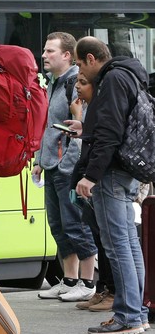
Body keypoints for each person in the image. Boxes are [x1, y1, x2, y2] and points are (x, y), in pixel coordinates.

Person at [66, 37, 148, 334]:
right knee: (129, 244)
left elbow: (111, 133)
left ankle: (127, 317)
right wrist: (84, 129)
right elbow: (118, 126)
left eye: (77, 62)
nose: (79, 70)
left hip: (111, 173)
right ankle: (137, 313)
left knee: (117, 247)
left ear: (90, 58)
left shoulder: (112, 79)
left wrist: (91, 175)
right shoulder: (130, 74)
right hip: (126, 170)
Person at [33, 33, 98, 303]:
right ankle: (69, 280)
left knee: (75, 223)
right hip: (52, 163)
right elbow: (48, 125)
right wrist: (39, 160)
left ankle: (88, 281)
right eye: (45, 51)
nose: (44, 56)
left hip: (64, 166)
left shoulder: (76, 82)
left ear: (67, 55)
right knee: (58, 225)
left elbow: (79, 128)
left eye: (50, 51)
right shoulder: (55, 83)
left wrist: (67, 164)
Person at [69, 73, 116, 313]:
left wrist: (90, 178)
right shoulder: (92, 109)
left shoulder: (103, 106)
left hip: (102, 179)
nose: (77, 86)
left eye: (83, 82)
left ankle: (112, 292)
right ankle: (103, 288)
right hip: (91, 177)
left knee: (110, 240)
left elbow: (104, 143)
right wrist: (82, 125)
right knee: (99, 236)